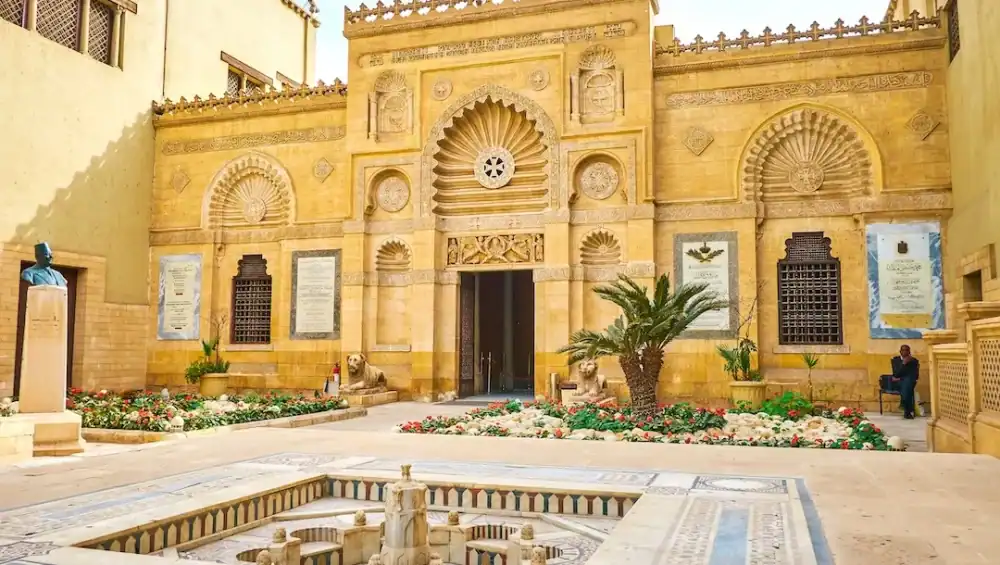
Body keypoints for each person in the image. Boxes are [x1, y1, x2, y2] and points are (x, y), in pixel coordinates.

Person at [891, 344, 920, 419]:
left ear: (909, 352)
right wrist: (903, 364)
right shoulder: (895, 360)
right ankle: (907, 411)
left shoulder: (914, 361)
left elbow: (915, 375)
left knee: (907, 382)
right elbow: (896, 374)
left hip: (909, 382)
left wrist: (901, 378)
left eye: (907, 350)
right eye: (903, 350)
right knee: (907, 386)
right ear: (900, 351)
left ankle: (904, 404)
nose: (905, 352)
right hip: (898, 383)